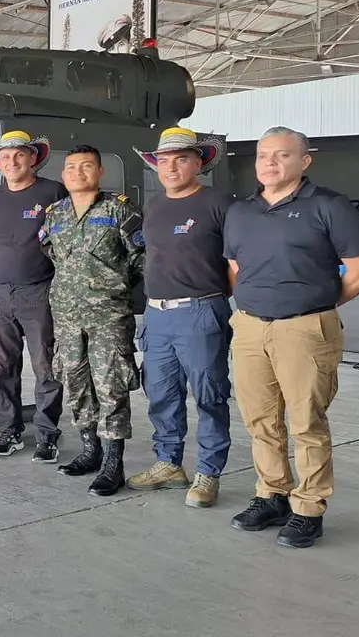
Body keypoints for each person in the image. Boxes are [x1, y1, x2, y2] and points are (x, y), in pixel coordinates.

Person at [224, 126, 359, 549]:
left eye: (282, 155)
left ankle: (309, 506)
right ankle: (272, 494)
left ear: (304, 161)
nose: (270, 163)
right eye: (262, 155)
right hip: (251, 327)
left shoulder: (328, 206)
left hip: (305, 327)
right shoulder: (241, 212)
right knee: (260, 420)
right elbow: (235, 268)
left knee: (307, 422)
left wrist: (316, 308)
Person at [126, 128, 234, 508]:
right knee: (160, 393)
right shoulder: (154, 207)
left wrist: (218, 298)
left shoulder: (218, 204)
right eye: (164, 160)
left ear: (198, 162)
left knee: (209, 395)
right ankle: (169, 463)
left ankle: (208, 472)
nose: (171, 167)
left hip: (201, 311)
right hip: (156, 316)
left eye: (181, 159)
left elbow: (236, 262)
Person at [39, 146, 143, 497]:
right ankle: (90, 450)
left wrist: (110, 287)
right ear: (63, 174)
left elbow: (140, 259)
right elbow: (51, 254)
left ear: (100, 171)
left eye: (86, 166)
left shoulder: (120, 210)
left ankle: (114, 462)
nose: (77, 172)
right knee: (77, 385)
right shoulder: (55, 215)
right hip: (67, 319)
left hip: (108, 318)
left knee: (111, 387)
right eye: (70, 167)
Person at [0, 131, 67, 463]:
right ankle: (9, 430)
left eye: (19, 156)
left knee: (46, 366)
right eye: (5, 157)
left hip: (38, 291)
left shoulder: (52, 191)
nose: (12, 162)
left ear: (33, 158)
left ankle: (46, 435)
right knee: (1, 366)